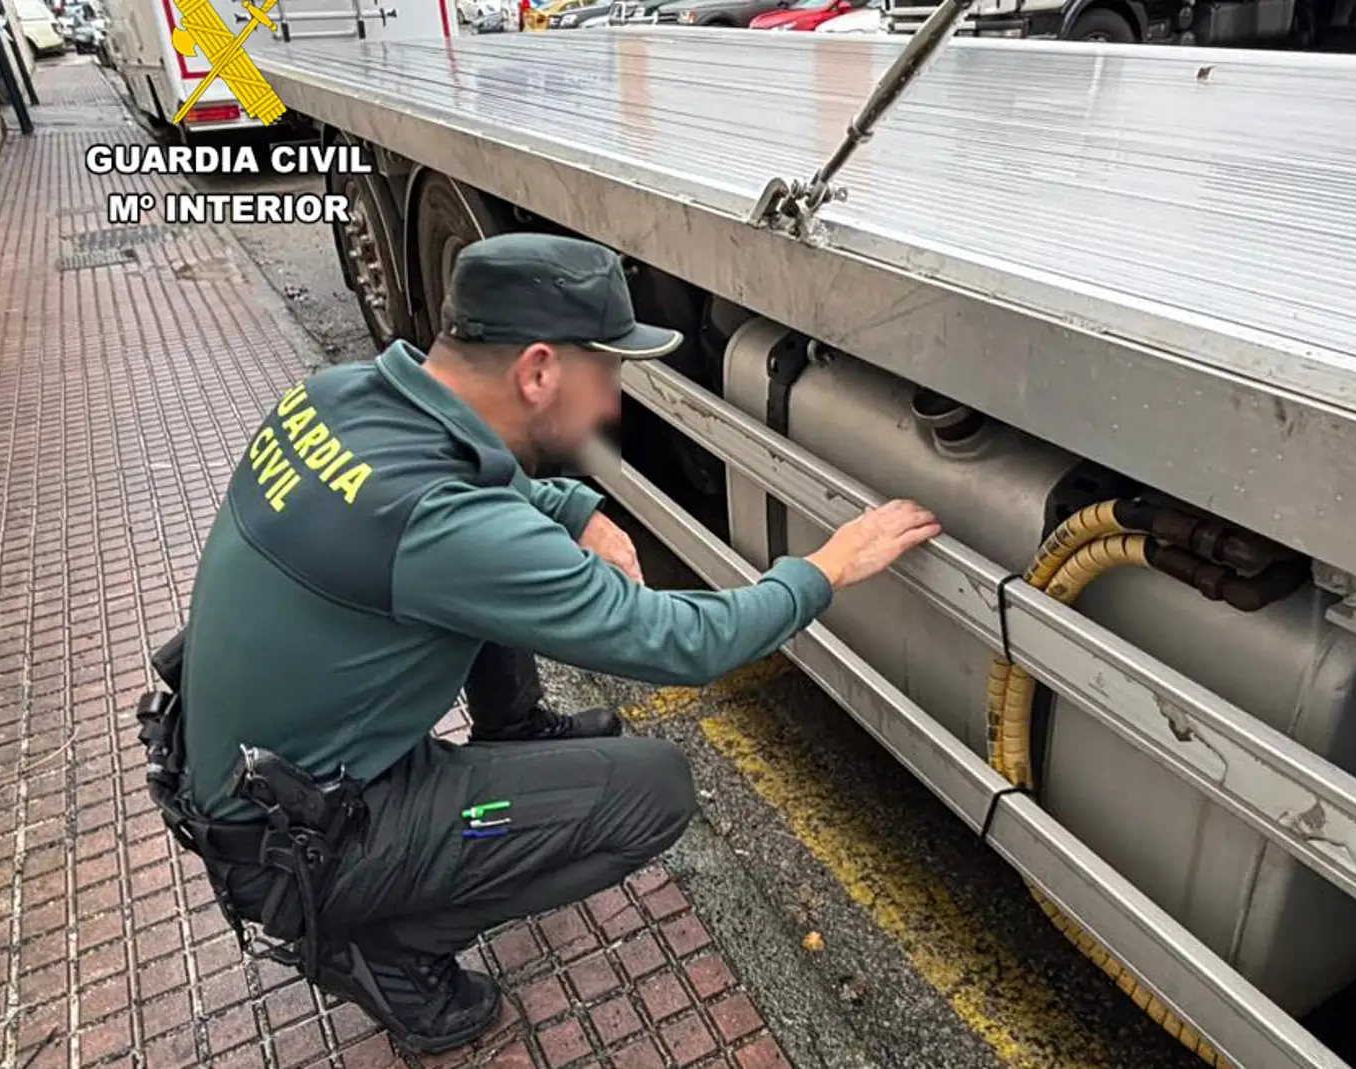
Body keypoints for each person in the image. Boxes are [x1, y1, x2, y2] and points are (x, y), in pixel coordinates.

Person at [171, 232, 940, 1053]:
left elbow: (478, 489)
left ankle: (514, 733)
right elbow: (688, 643)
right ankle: (388, 950)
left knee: (490, 582)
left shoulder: (339, 396)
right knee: (651, 791)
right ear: (538, 371)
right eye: (605, 374)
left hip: (240, 778)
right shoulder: (448, 528)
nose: (611, 405)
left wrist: (574, 509)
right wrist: (826, 567)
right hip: (300, 846)